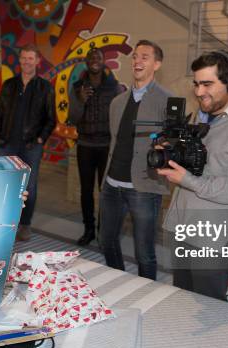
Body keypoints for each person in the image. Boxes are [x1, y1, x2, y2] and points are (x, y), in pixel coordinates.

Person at [157, 51, 228, 300]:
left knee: (207, 310)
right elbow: (199, 164)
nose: (199, 92)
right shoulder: (202, 116)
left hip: (212, 242)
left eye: (207, 84)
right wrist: (171, 154)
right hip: (183, 229)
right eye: (196, 84)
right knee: (183, 302)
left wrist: (188, 180)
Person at [99, 40, 172, 280]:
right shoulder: (118, 102)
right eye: (135, 57)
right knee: (106, 241)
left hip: (143, 188)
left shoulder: (167, 102)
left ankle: (146, 296)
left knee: (144, 253)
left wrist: (166, 147)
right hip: (112, 185)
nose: (137, 61)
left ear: (157, 64)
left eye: (145, 57)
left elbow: (173, 148)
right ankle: (120, 282)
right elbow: (114, 142)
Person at [0, 44, 56, 241]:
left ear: (37, 61)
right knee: (5, 184)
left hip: (31, 146)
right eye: (23, 58)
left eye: (31, 58)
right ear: (19, 60)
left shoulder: (45, 88)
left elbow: (51, 118)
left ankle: (25, 224)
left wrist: (40, 139)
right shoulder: (9, 85)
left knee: (29, 187)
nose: (26, 62)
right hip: (7, 144)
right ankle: (3, 222)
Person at [68, 48, 122, 246]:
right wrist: (81, 101)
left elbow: (119, 119)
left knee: (105, 192)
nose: (94, 60)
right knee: (86, 191)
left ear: (104, 60)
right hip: (85, 146)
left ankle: (103, 231)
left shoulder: (115, 87)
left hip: (106, 147)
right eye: (91, 58)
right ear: (86, 62)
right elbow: (73, 118)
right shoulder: (76, 87)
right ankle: (89, 229)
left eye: (98, 57)